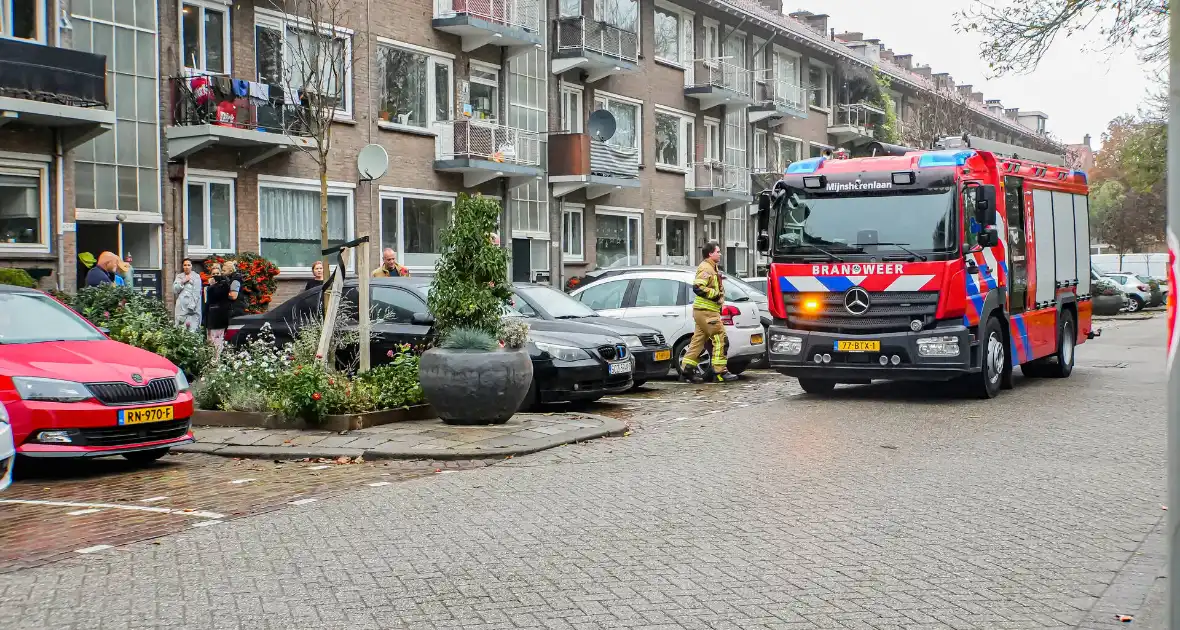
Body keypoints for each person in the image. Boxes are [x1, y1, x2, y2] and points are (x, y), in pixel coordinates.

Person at [680, 241, 737, 383]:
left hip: (703, 311)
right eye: (718, 251)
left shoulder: (712, 267)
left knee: (697, 342)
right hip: (707, 312)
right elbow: (698, 287)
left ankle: (686, 371)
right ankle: (720, 372)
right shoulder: (706, 268)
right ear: (710, 254)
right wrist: (716, 295)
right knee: (721, 339)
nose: (720, 254)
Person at [172, 258, 202, 332]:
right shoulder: (179, 276)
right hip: (181, 306)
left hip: (192, 308)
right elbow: (175, 290)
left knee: (192, 328)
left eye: (188, 265)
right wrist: (183, 281)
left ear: (191, 266)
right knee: (180, 327)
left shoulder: (196, 276)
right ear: (182, 266)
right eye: (185, 265)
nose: (186, 267)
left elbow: (197, 292)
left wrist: (192, 306)